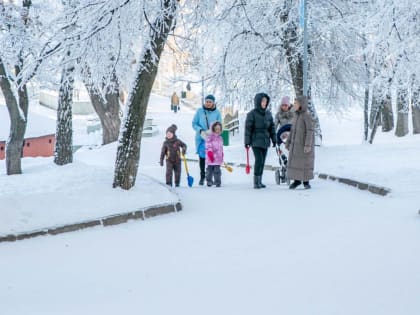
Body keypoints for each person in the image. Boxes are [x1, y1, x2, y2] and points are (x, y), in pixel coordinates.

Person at [244, 92, 276, 189]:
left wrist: (274, 139)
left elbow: (272, 128)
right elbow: (248, 129)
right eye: (262, 101)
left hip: (265, 141)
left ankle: (260, 181)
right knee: (259, 160)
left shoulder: (268, 114)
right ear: (258, 102)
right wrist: (247, 142)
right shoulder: (251, 114)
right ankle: (255, 181)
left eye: (266, 101)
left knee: (263, 161)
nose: (264, 103)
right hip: (256, 141)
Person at [285, 96, 315, 189]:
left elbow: (310, 131)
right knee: (296, 162)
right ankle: (297, 181)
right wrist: (288, 142)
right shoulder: (296, 116)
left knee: (305, 162)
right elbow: (292, 130)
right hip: (296, 145)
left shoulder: (307, 116)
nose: (294, 105)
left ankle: (306, 182)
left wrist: (307, 145)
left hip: (304, 145)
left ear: (301, 104)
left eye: (296, 103)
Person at [192, 94, 222, 185]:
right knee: (202, 157)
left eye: (210, 102)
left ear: (213, 103)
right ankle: (202, 176)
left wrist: (212, 131)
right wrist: (200, 130)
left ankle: (211, 177)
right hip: (201, 138)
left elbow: (219, 125)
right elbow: (194, 123)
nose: (208, 103)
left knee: (212, 158)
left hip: (213, 139)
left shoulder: (217, 112)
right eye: (207, 101)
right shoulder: (200, 111)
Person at [205, 121, 224, 187]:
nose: (218, 130)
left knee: (217, 171)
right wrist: (210, 153)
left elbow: (221, 147)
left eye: (219, 129)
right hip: (211, 157)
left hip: (218, 158)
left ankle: (217, 182)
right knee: (209, 171)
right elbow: (208, 146)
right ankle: (209, 181)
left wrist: (222, 154)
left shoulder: (220, 138)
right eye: (216, 129)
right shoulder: (210, 137)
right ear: (213, 129)